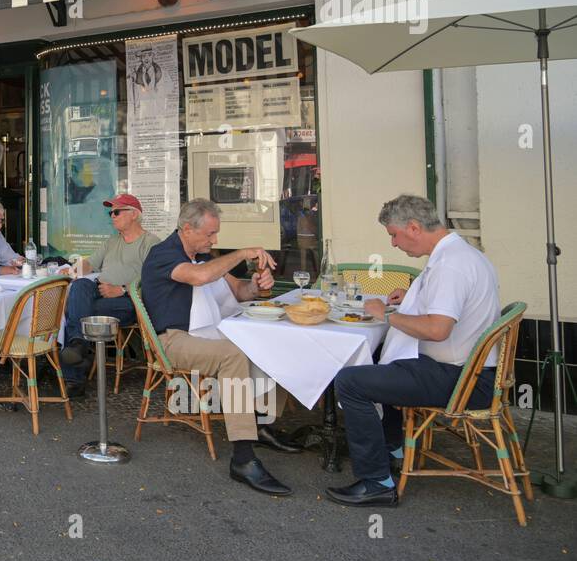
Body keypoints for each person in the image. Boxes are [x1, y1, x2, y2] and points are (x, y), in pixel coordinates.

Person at [327, 195, 501, 507]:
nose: (393, 244)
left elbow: (437, 329)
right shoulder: (461, 254)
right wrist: (412, 297)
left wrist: (388, 315)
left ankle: (376, 481)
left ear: (414, 227)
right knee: (384, 357)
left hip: (462, 381)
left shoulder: (451, 265)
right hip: (468, 370)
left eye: (394, 234)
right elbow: (448, 308)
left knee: (350, 381)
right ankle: (393, 447)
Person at [140, 199, 300, 496]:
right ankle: (242, 457)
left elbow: (240, 291)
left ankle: (261, 421)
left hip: (208, 333)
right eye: (210, 234)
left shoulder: (204, 257)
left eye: (216, 234)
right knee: (233, 355)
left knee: (269, 342)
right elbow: (201, 277)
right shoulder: (163, 255)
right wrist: (242, 253)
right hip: (173, 340)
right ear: (187, 229)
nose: (214, 240)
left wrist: (257, 285)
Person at [59, 194, 160, 397]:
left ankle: (75, 375)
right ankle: (79, 346)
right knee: (80, 285)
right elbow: (90, 264)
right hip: (100, 293)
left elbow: (154, 280)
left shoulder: (151, 243)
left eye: (116, 212)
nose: (112, 216)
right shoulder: (112, 241)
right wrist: (72, 270)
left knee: (76, 311)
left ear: (133, 214)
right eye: (110, 212)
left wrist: (121, 289)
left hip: (129, 301)